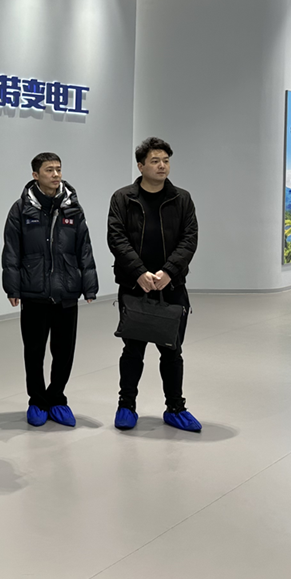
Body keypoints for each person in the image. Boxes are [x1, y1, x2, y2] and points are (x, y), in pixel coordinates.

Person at [107, 137, 201, 432]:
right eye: (155, 161)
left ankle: (175, 408)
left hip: (171, 287)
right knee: (133, 350)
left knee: (171, 350)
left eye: (166, 161)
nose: (162, 166)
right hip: (134, 287)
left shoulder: (181, 199)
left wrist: (169, 272)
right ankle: (126, 405)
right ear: (141, 166)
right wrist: (139, 272)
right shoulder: (123, 198)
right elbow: (116, 238)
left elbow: (189, 238)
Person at [2, 152, 98, 428]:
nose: (56, 175)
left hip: (66, 291)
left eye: (58, 169)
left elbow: (84, 248)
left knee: (64, 350)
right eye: (49, 170)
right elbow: (12, 252)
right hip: (34, 293)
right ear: (35, 175)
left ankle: (57, 398)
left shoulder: (72, 208)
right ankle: (37, 400)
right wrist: (13, 288)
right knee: (34, 351)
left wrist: (89, 286)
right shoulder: (21, 209)